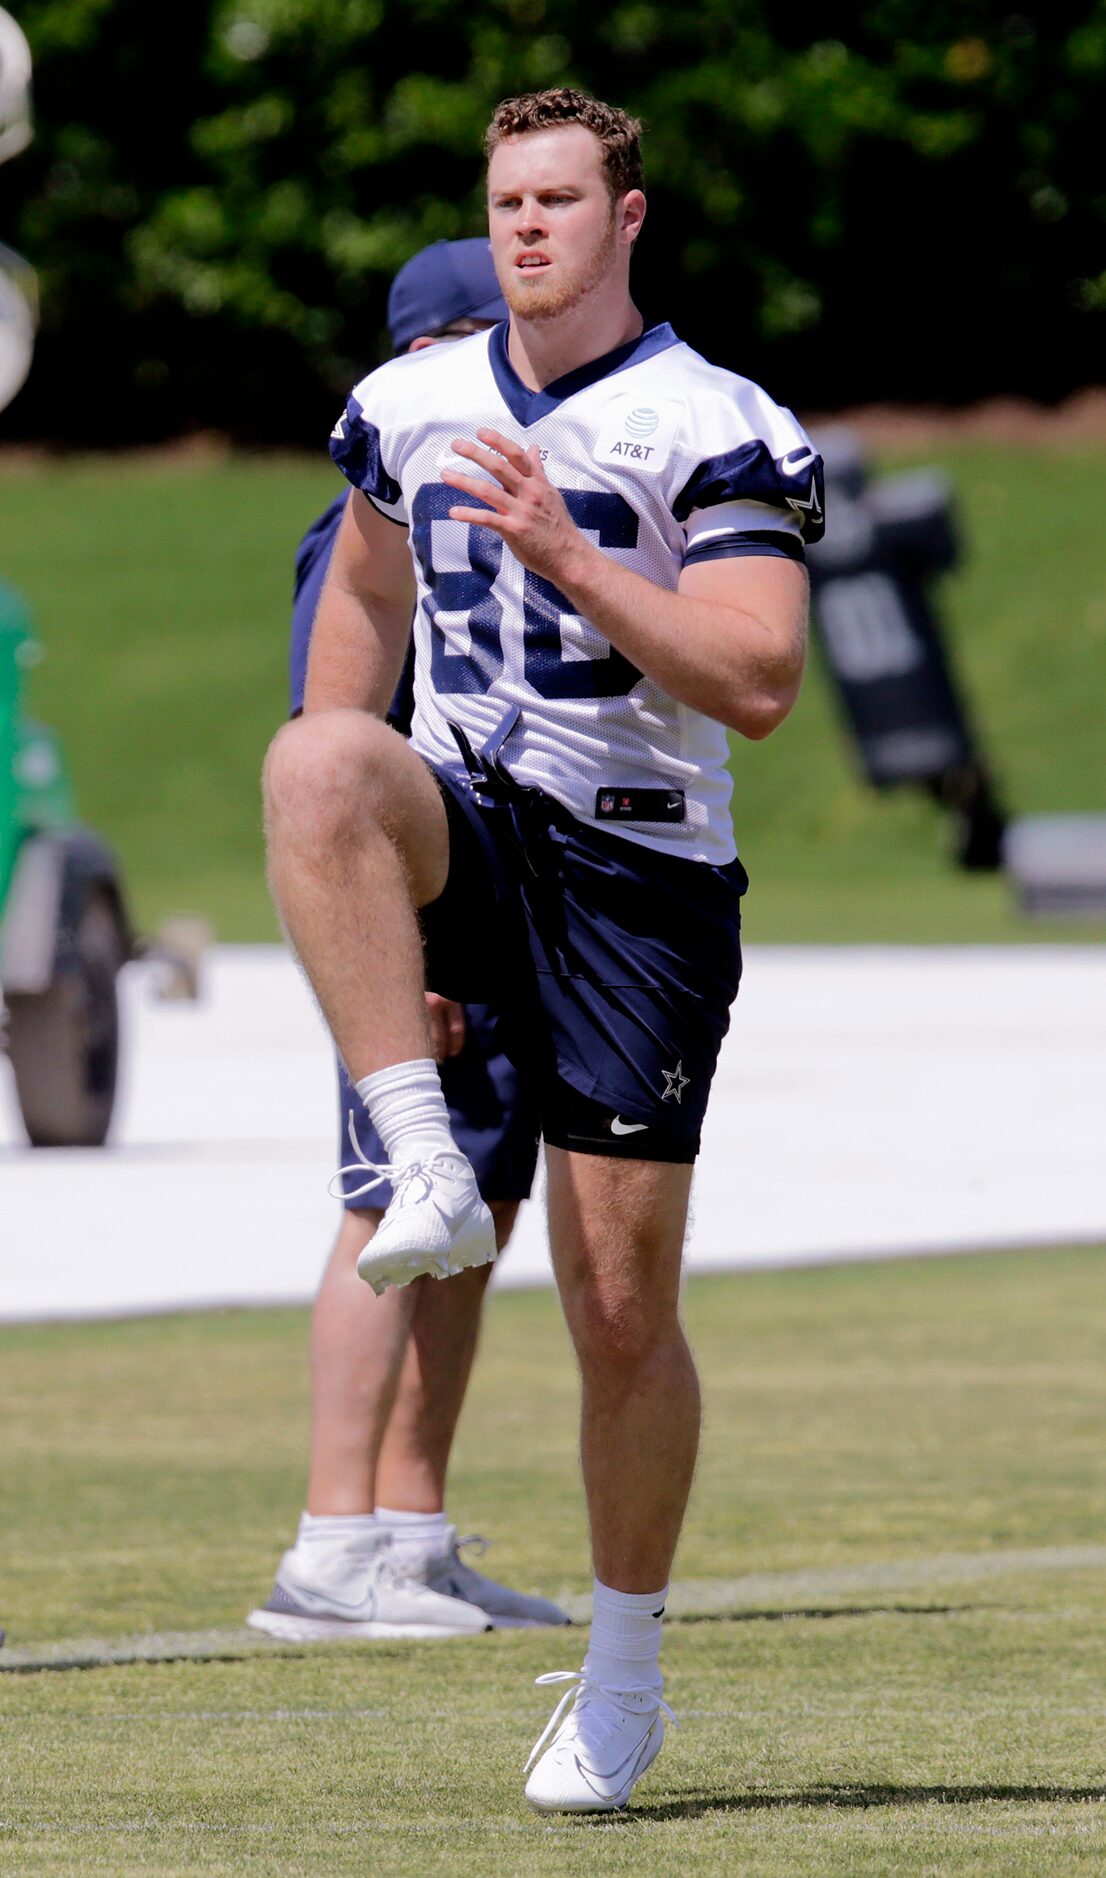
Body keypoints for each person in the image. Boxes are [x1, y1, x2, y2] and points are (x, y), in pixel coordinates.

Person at [263, 88, 822, 1809]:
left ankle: (626, 1671)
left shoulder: (711, 420)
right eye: (506, 199)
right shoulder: (409, 400)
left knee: (616, 1303)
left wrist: (573, 556)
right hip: (486, 832)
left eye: (561, 199)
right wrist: (391, 912)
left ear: (626, 217)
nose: (526, 228)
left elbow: (756, 677)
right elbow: (359, 612)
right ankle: (422, 1157)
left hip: (642, 881)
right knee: (313, 759)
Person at [248, 240, 568, 1644]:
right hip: (411, 942)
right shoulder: (370, 523)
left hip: (482, 908)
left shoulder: (483, 512)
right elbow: (343, 745)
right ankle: (332, 1545)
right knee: (391, 1202)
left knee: (475, 1215)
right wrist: (413, 959)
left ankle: (411, 1538)